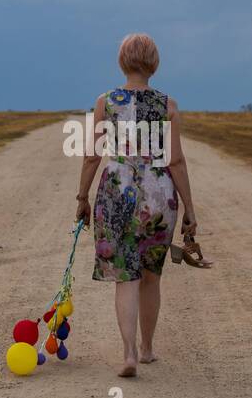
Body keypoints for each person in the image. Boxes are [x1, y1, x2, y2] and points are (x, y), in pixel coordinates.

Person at [75, 33, 199, 377]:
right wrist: (190, 209)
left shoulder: (105, 102)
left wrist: (82, 197)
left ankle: (128, 353)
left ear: (122, 62)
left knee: (124, 278)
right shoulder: (168, 105)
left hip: (116, 194)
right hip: (158, 197)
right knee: (150, 277)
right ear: (154, 64)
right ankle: (147, 349)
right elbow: (176, 162)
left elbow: (91, 156)